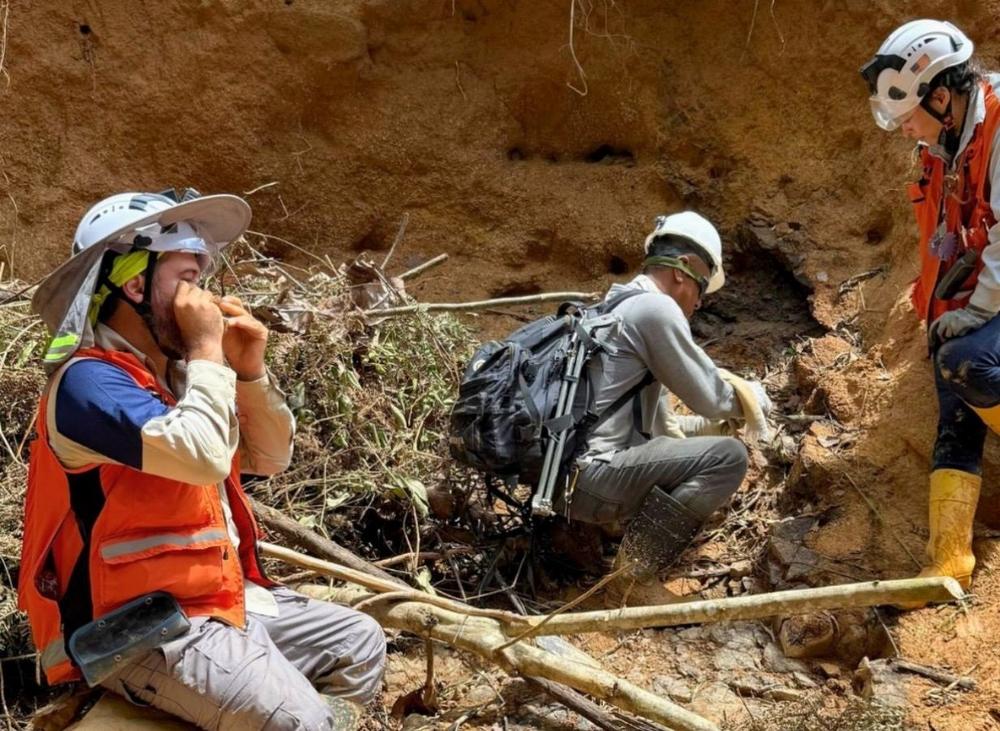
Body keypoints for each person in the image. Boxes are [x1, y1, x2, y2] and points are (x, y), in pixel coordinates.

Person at [18, 190, 386, 729]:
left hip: (215, 600)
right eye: (188, 278)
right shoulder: (88, 383)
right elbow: (206, 457)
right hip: (136, 627)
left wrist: (249, 371)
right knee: (302, 721)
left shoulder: (171, 380)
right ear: (136, 286)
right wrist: (208, 351)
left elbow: (270, 457)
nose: (204, 298)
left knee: (359, 642)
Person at [557, 211, 772, 606]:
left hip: (561, 481)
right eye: (701, 286)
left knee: (713, 449)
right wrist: (753, 399)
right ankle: (632, 578)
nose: (700, 302)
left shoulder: (611, 308)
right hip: (591, 480)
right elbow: (713, 398)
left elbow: (661, 427)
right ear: (681, 269)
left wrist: (707, 430)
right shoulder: (656, 310)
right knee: (728, 458)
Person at [861, 20, 1000, 603]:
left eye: (908, 115)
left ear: (942, 97)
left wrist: (978, 310)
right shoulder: (944, 146)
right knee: (953, 379)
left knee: (971, 362)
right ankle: (948, 562)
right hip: (990, 291)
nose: (903, 129)